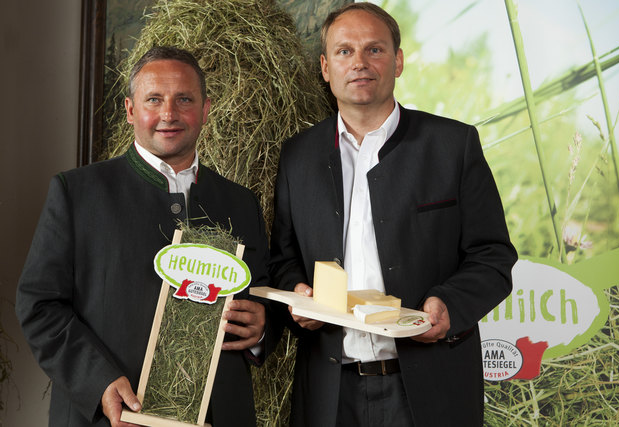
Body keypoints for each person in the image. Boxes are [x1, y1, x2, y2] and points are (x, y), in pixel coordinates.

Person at [269, 3, 518, 426]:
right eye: (344, 52)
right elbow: (282, 257)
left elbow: (493, 256)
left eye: (375, 50)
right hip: (329, 393)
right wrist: (297, 293)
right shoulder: (298, 156)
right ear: (326, 68)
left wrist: (448, 307)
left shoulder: (452, 145)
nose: (360, 63)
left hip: (428, 390)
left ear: (398, 61)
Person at [16, 46, 278, 427]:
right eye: (154, 99)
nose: (168, 114)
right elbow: (39, 306)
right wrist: (98, 381)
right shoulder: (77, 193)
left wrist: (262, 326)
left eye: (184, 99)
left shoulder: (241, 203)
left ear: (205, 110)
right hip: (111, 417)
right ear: (130, 110)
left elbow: (262, 296)